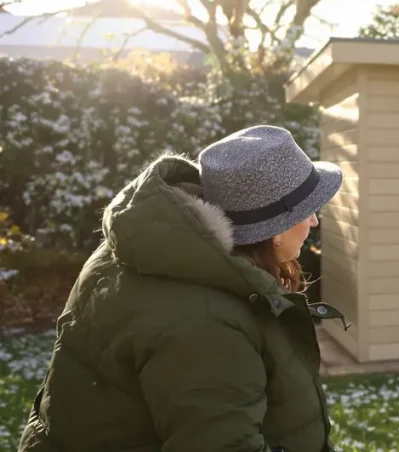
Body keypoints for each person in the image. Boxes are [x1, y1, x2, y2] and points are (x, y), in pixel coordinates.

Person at [18, 125, 349, 452]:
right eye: (308, 210)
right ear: (274, 229)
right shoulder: (207, 323)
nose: (314, 222)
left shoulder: (147, 251)